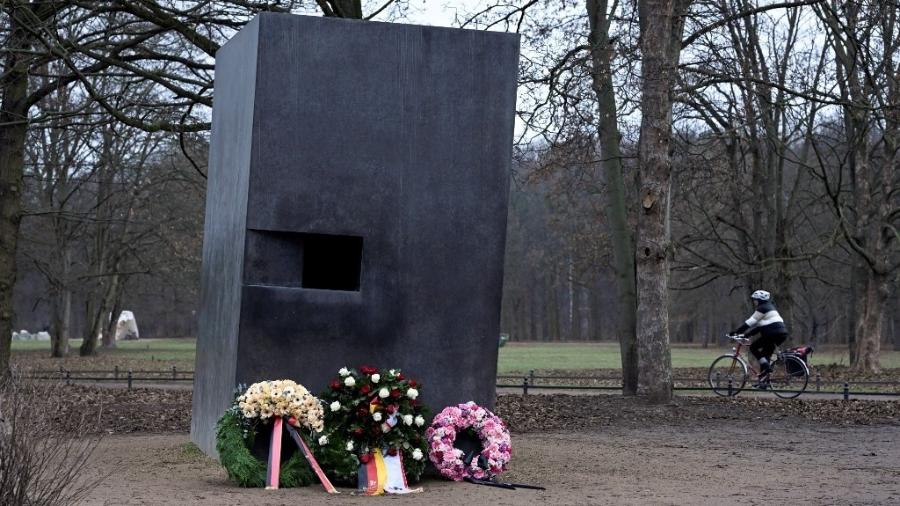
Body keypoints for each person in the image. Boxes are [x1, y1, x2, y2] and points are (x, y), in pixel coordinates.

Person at [729, 290, 788, 387]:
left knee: (753, 348)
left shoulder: (762, 308)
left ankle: (766, 368)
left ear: (759, 300)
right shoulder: (771, 308)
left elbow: (749, 323)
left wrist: (736, 332)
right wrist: (746, 335)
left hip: (772, 334)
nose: (754, 302)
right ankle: (764, 382)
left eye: (755, 300)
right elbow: (760, 327)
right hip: (781, 334)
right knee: (765, 356)